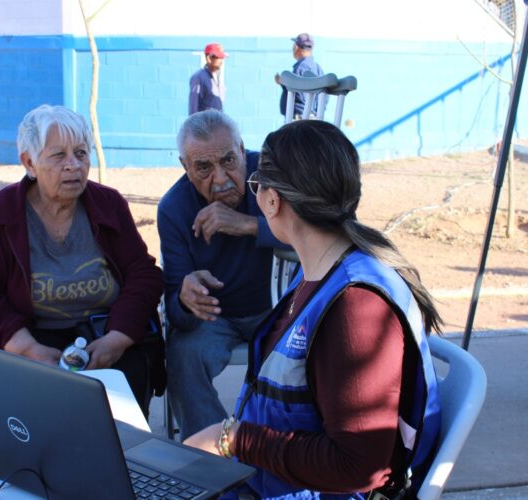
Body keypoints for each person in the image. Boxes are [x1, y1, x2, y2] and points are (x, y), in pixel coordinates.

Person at [183, 120, 442, 498]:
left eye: (257, 184)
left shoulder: (356, 307)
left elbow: (358, 467)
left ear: (272, 201)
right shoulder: (319, 272)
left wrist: (234, 439)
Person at [0, 105, 165, 415]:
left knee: (122, 409)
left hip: (104, 333)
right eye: (58, 156)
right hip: (33, 335)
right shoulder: (3, 213)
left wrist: (118, 338)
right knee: (32, 413)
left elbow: (143, 275)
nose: (73, 166)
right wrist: (27, 349)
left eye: (81, 153)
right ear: (29, 162)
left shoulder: (109, 205)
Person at [158, 110, 282, 439]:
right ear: (185, 168)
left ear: (243, 150)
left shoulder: (274, 175)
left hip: (279, 309)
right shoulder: (174, 208)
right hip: (217, 317)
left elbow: (316, 232)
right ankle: (213, 454)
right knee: (184, 354)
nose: (221, 178)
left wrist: (249, 225)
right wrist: (186, 300)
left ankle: (282, 449)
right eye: (203, 168)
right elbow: (175, 312)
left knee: (310, 346)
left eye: (229, 160)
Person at [275, 33, 324, 119]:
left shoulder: (300, 67)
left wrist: (283, 82)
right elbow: (324, 95)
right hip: (312, 116)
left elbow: (298, 93)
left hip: (299, 118)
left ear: (296, 47)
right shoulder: (318, 68)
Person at [188, 43, 227, 115]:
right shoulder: (199, 77)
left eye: (222, 58)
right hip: (205, 124)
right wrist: (195, 126)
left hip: (217, 124)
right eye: (218, 57)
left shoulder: (218, 78)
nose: (221, 61)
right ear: (209, 58)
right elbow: (193, 108)